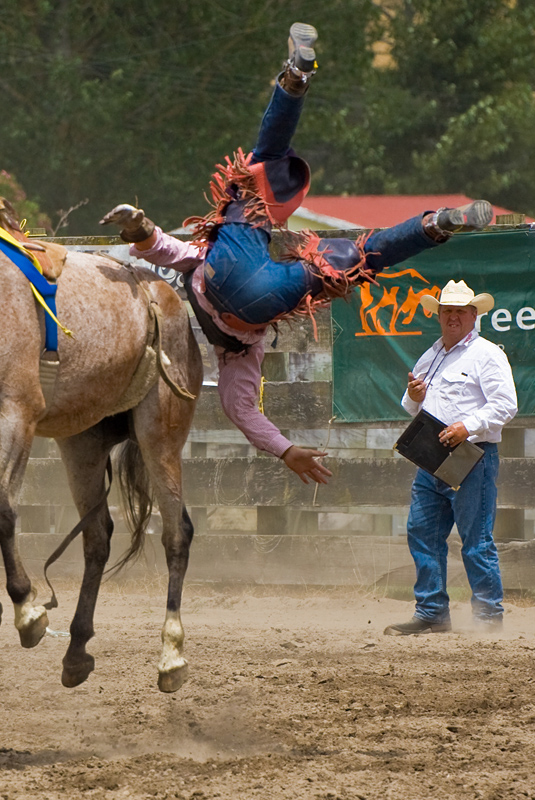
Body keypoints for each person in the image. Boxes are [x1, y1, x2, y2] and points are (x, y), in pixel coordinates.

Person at [100, 22, 494, 486]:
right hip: (247, 273)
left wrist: (286, 451)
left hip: (247, 286)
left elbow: (242, 411)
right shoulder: (236, 349)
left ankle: (432, 224)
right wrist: (142, 231)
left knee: (364, 255)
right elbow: (174, 253)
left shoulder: (236, 355)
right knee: (264, 164)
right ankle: (295, 79)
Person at [383, 280, 517, 635]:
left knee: (475, 539)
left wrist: (466, 427)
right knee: (422, 531)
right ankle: (431, 612)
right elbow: (411, 405)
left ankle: (487, 618)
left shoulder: (487, 354)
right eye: (447, 311)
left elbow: (506, 405)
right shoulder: (433, 353)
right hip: (432, 455)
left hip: (471, 454)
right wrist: (413, 395)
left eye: (460, 311)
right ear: (438, 315)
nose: (453, 317)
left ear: (474, 316)